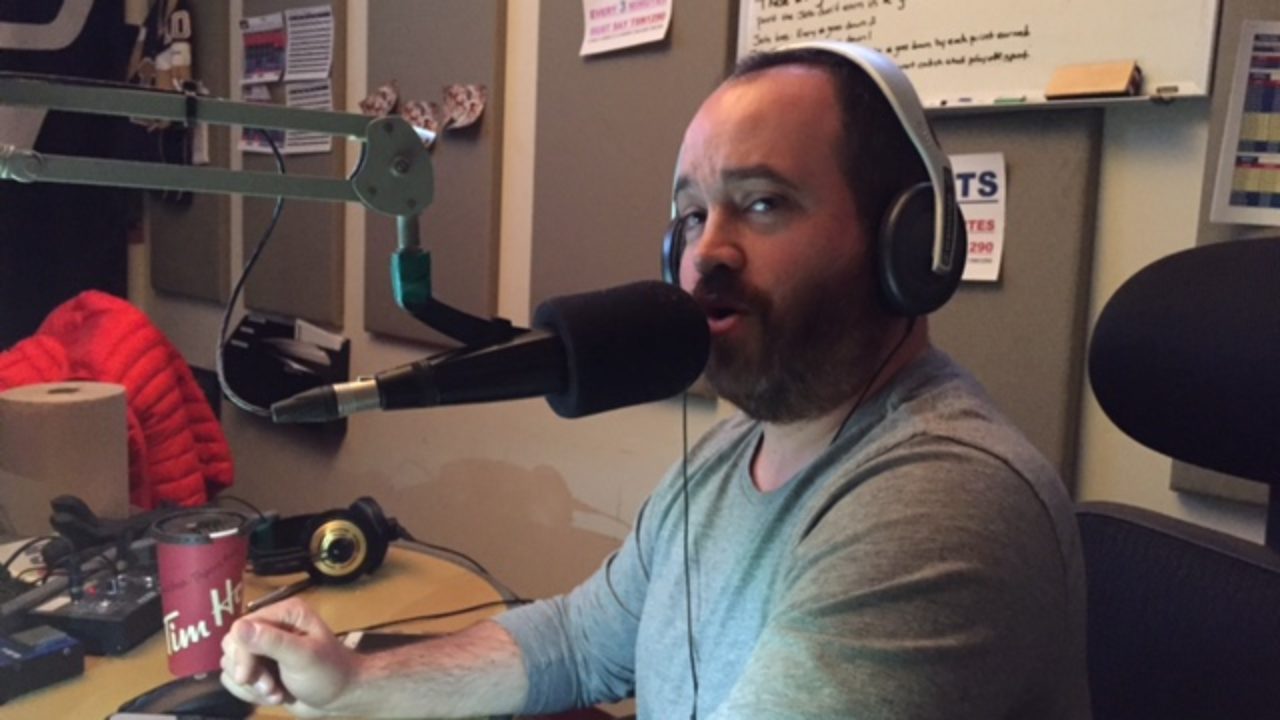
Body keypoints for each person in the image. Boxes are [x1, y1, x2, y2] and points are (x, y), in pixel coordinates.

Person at [220, 42, 1091, 719]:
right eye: (690, 214)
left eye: (762, 202)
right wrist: (356, 680)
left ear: (905, 244)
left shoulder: (937, 504)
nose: (706, 251)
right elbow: (577, 640)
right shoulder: (731, 452)